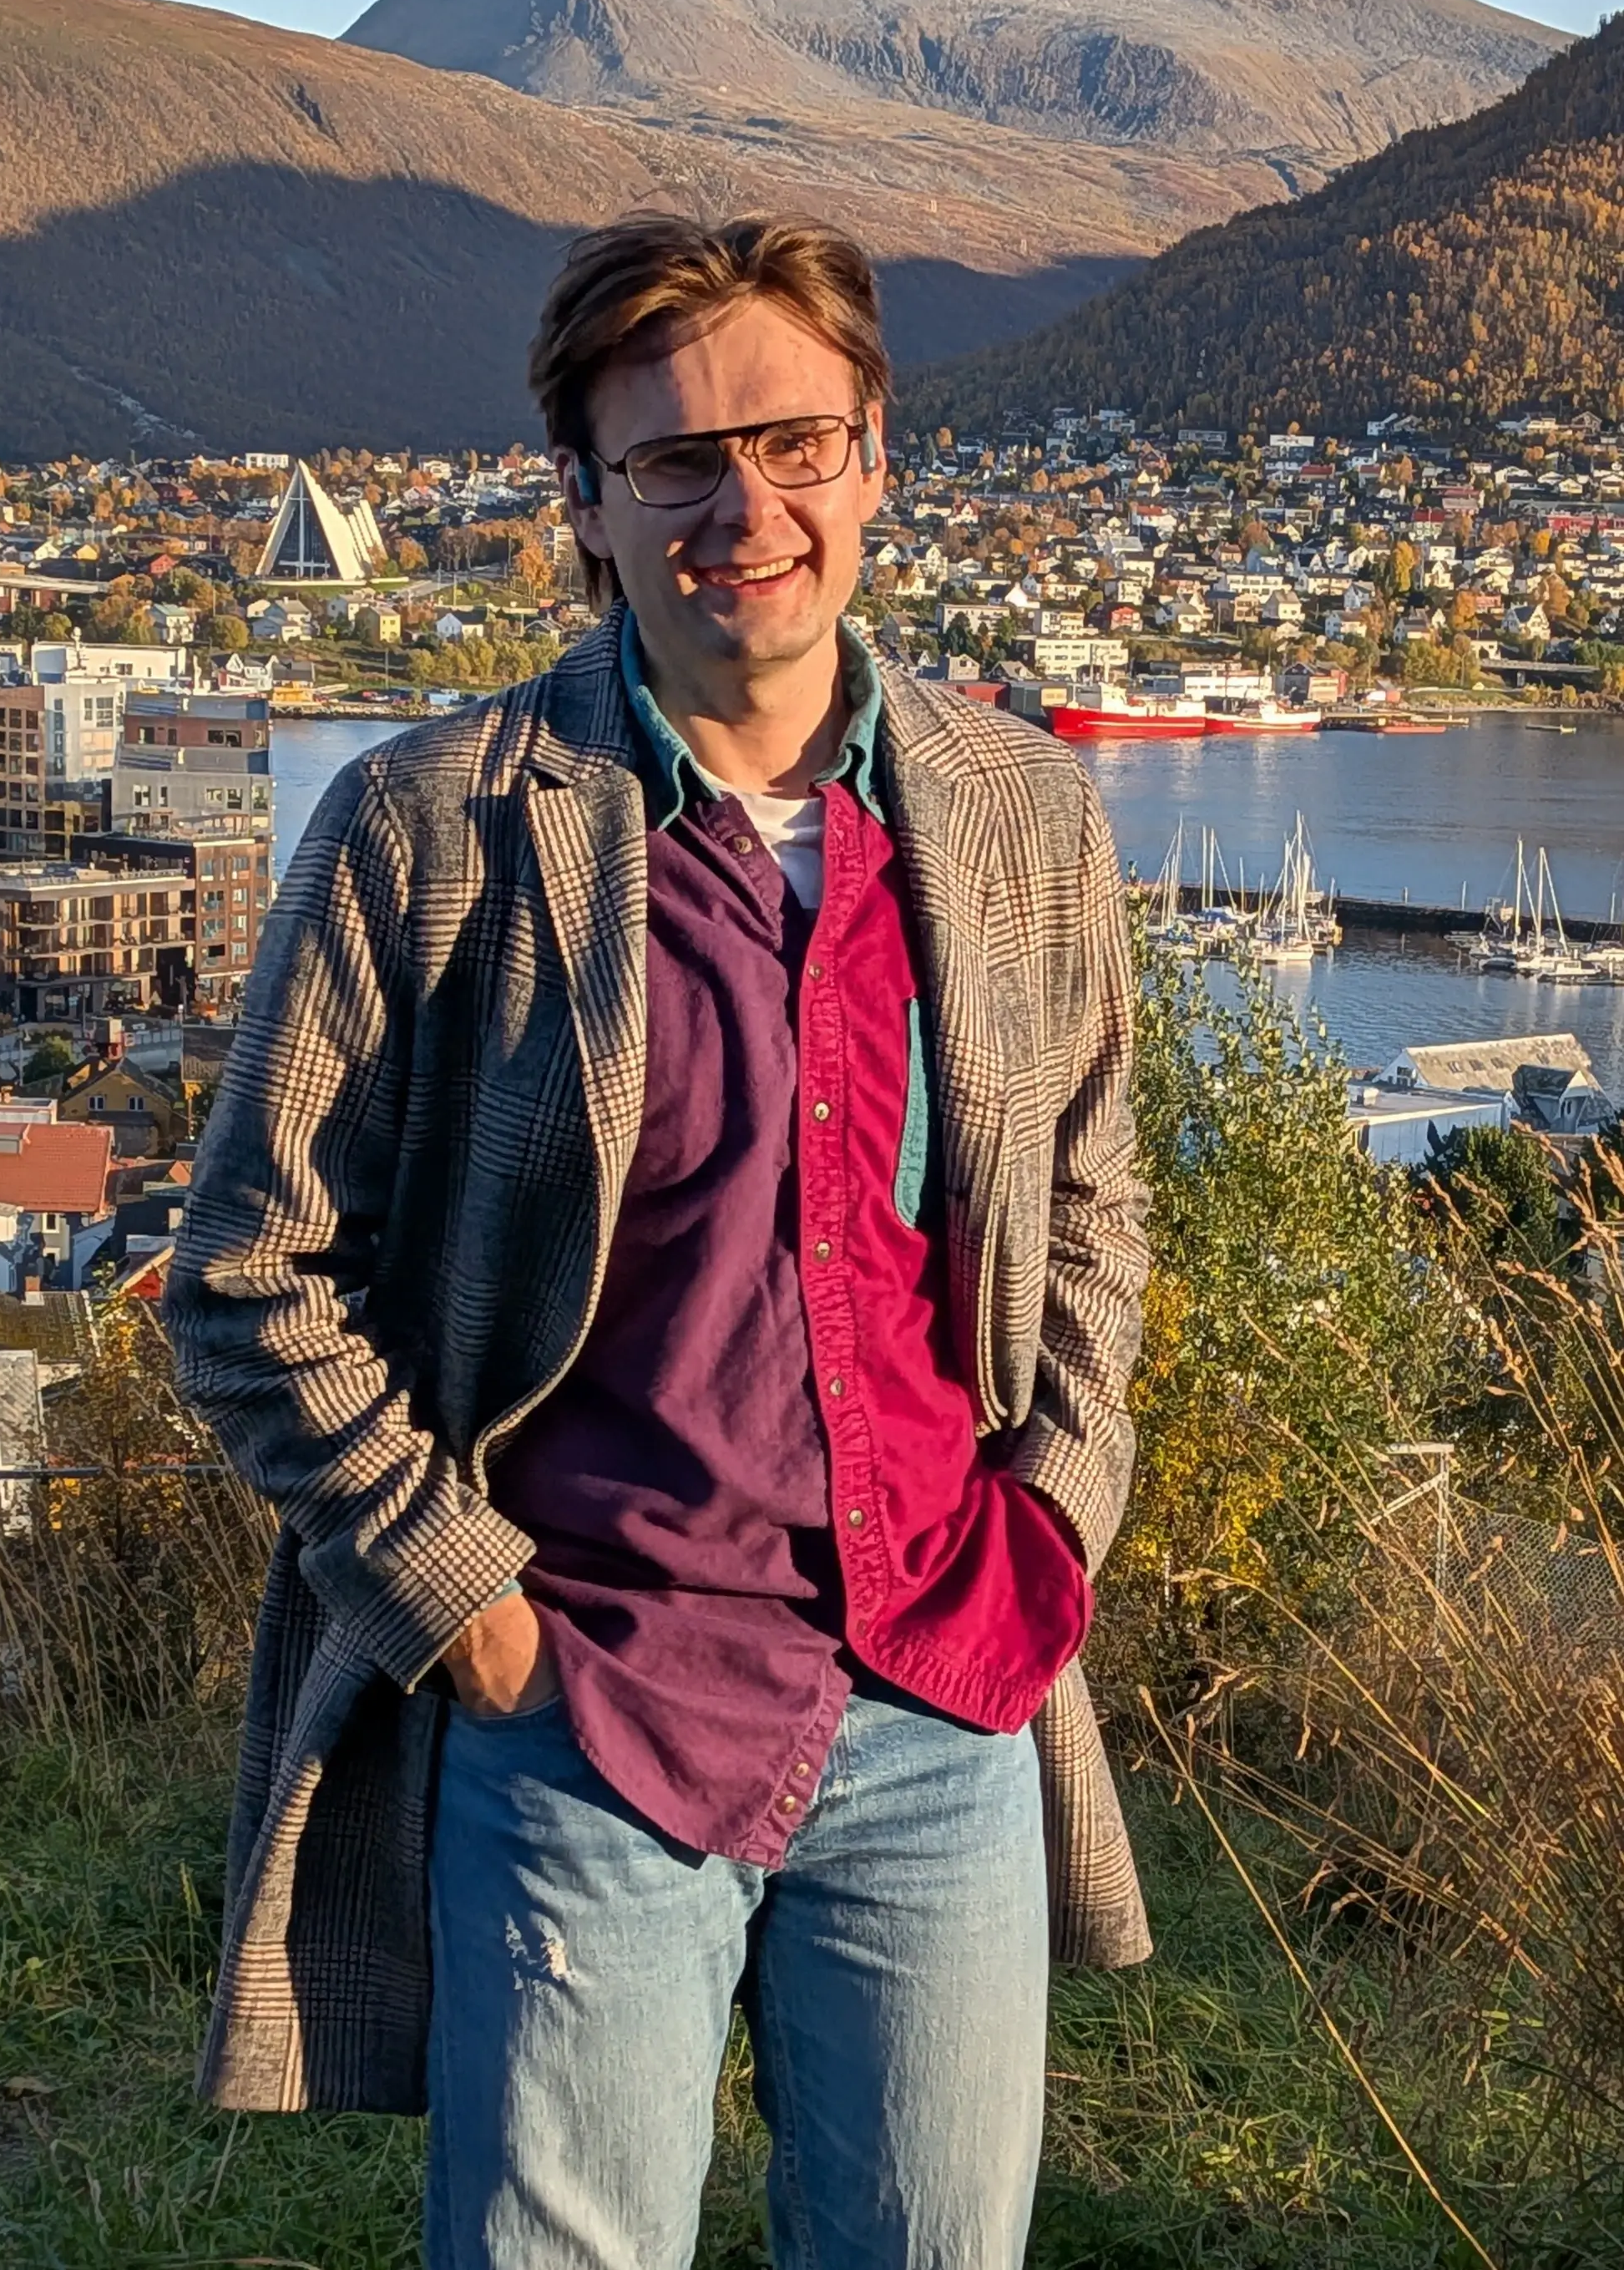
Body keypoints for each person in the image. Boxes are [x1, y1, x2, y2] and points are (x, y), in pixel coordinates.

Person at [164, 212, 1151, 2269]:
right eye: (677, 459)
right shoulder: (434, 824)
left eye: (794, 444)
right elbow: (251, 1272)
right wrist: (472, 1610)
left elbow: (1087, 1205)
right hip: (590, 1700)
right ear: (585, 503)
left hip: (938, 1687)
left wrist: (1053, 1508)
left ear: (875, 459)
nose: (744, 507)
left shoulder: (1019, 811)